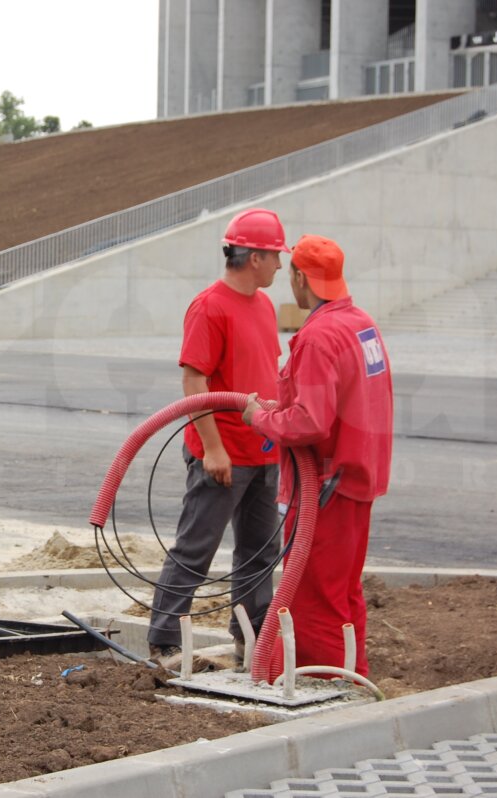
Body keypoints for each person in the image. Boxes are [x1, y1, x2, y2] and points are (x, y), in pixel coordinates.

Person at [242, 234, 393, 676]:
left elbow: (311, 422)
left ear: (300, 278)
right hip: (356, 480)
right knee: (344, 593)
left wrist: (260, 418)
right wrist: (281, 410)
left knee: (313, 598)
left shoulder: (319, 336)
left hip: (325, 487)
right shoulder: (360, 323)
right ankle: (353, 673)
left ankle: (321, 684)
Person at [147, 208, 288, 662]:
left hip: (264, 452)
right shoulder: (210, 306)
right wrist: (213, 448)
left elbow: (269, 372)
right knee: (196, 547)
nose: (280, 266)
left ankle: (252, 640)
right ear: (254, 258)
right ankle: (164, 643)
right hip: (223, 453)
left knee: (259, 554)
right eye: (274, 257)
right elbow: (194, 381)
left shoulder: (264, 306)